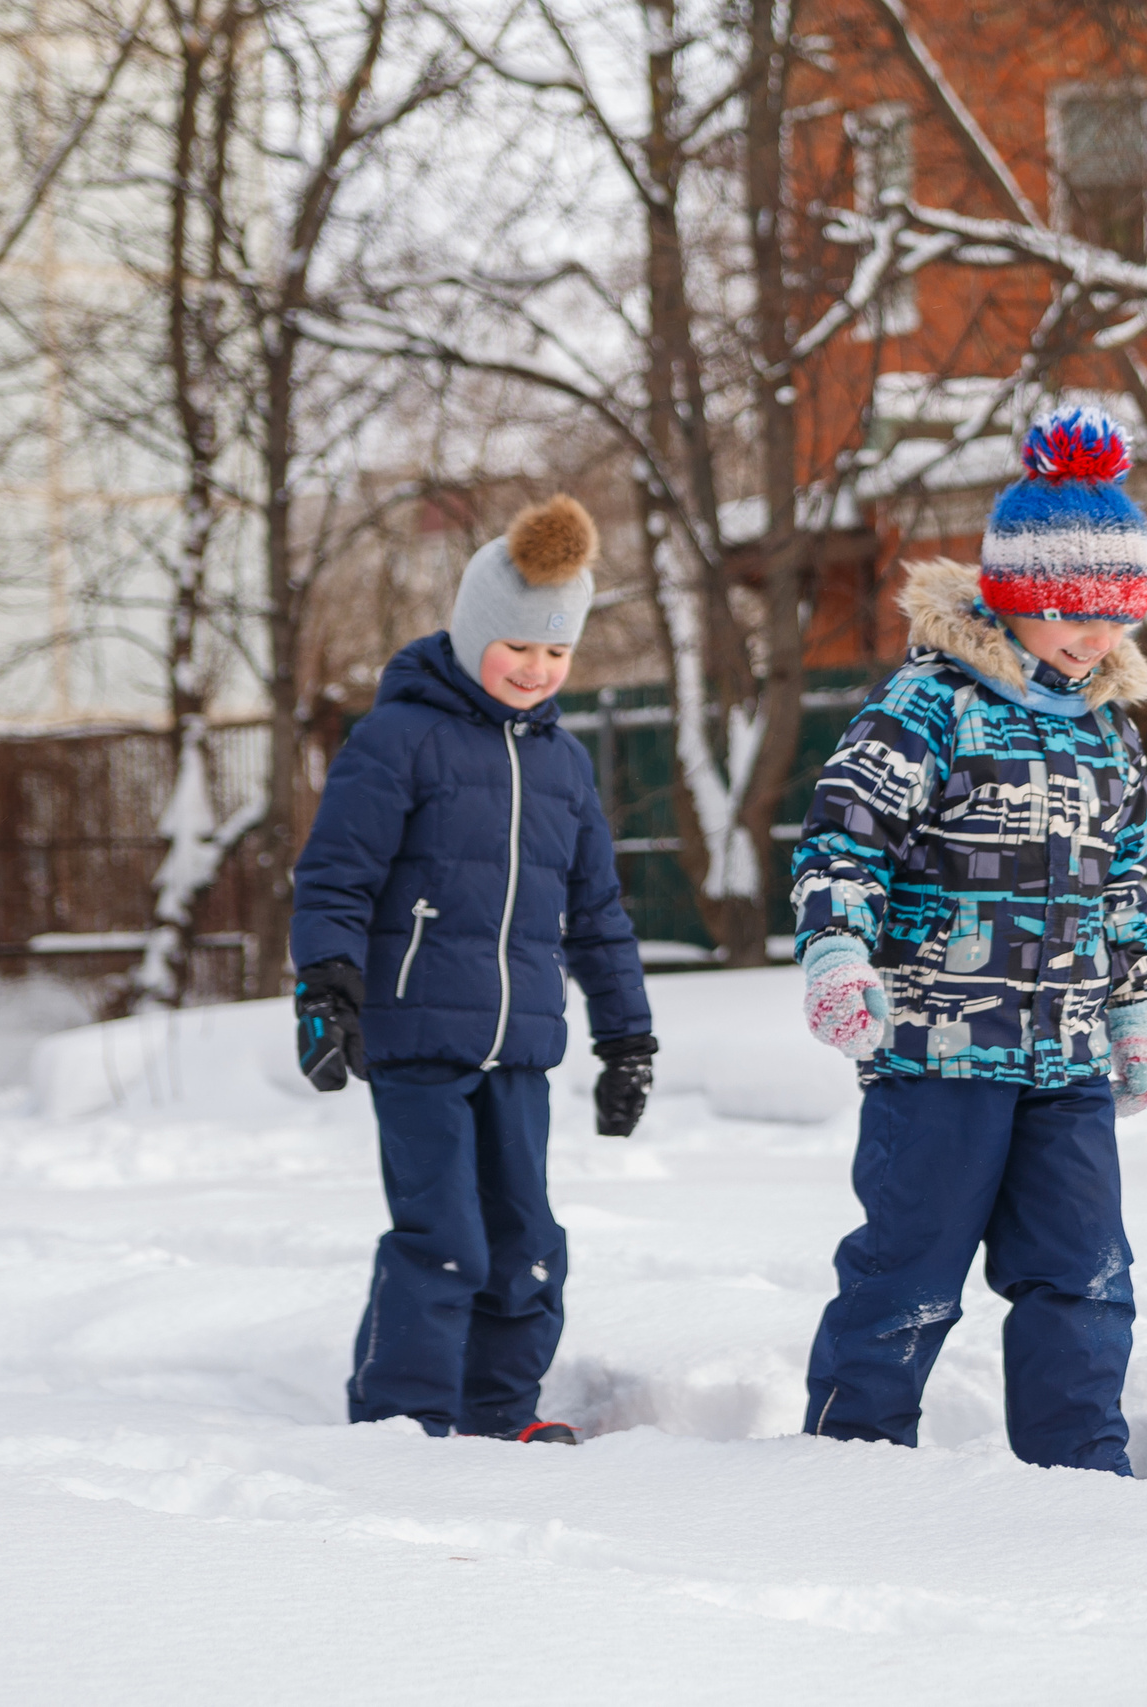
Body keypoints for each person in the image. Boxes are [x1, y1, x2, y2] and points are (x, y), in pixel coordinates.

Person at [790, 406, 1147, 1475]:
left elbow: (1121, 885)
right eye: (1071, 613)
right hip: (937, 1054)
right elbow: (843, 842)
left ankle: (1080, 1479)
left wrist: (1131, 1013)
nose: (1093, 639)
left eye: (1114, 617)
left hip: (1067, 1062)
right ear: (1013, 594)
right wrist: (836, 956)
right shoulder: (930, 706)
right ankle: (850, 1464)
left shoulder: (1109, 732)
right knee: (907, 1274)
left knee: (1085, 1276)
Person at [289, 494, 655, 1445]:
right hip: (416, 1036)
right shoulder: (398, 739)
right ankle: (402, 1422)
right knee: (443, 1238)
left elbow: (598, 914)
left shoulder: (565, 765)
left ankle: (498, 1415)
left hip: (519, 1047)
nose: (536, 668)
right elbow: (336, 875)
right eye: (517, 646)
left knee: (526, 1241)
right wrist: (325, 987)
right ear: (470, 633)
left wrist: (628, 1040)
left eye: (556, 651)